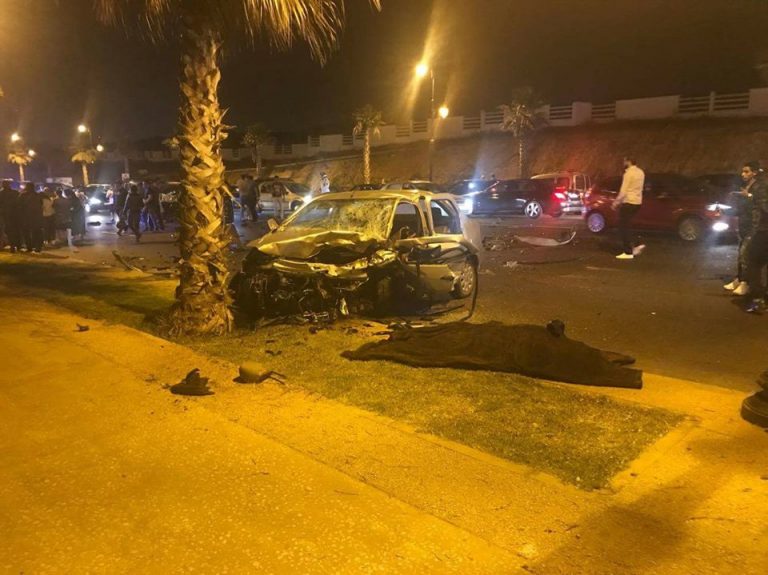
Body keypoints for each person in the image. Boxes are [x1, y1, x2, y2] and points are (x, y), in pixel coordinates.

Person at [724, 163, 757, 296]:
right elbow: (742, 210)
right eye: (743, 171)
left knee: (746, 255)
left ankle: (746, 283)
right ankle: (739, 279)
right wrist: (725, 212)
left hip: (753, 227)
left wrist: (748, 196)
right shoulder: (746, 186)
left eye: (746, 171)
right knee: (741, 254)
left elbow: (761, 204)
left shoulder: (759, 187)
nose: (743, 174)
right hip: (744, 225)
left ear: (754, 172)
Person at [744, 163, 768, 314]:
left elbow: (765, 207)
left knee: (752, 261)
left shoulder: (762, 185)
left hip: (763, 230)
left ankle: (758, 299)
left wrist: (751, 198)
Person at [612, 156, 645, 259]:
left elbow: (623, 191)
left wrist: (615, 203)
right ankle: (637, 243)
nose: (623, 163)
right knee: (628, 225)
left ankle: (628, 252)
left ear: (629, 161)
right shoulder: (641, 172)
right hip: (637, 202)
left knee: (623, 227)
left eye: (624, 161)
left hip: (628, 202)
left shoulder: (628, 174)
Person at [16, 182, 44, 253]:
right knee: (37, 232)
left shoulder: (23, 195)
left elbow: (18, 206)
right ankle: (38, 247)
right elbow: (41, 205)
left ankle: (29, 247)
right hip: (36, 217)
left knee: (26, 232)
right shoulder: (37, 195)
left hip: (26, 217)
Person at [0, 180, 20, 251]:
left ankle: (8, 245)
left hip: (4, 215)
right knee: (14, 230)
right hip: (14, 215)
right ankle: (15, 245)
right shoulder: (15, 193)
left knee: (5, 231)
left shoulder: (1, 193)